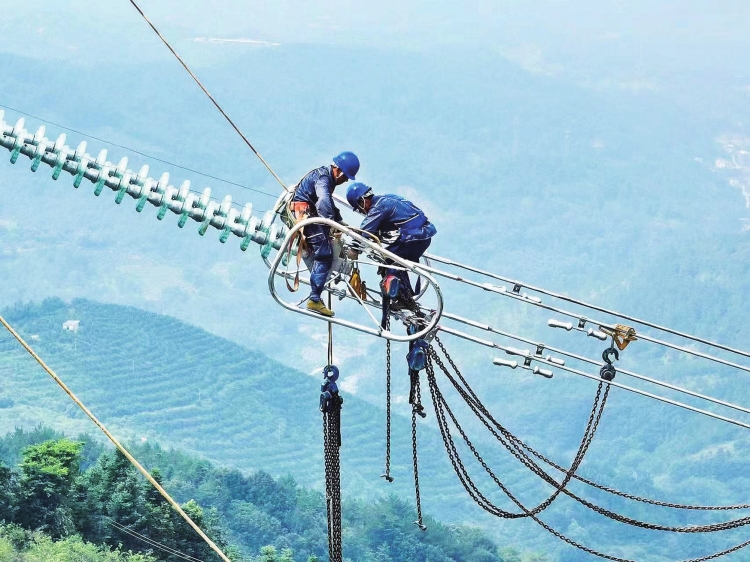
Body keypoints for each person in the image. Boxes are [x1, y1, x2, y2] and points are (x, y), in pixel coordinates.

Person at [291, 151, 360, 317]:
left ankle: (316, 295)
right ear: (339, 171)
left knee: (327, 251)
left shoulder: (325, 176)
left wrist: (340, 222)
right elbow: (323, 201)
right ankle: (314, 299)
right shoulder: (323, 179)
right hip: (305, 214)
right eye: (345, 178)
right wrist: (330, 223)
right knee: (324, 255)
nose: (344, 182)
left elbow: (328, 201)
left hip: (309, 213)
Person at [345, 182, 436, 305]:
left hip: (413, 238)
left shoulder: (377, 208)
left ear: (362, 201)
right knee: (396, 262)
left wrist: (354, 250)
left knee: (388, 263)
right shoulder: (387, 198)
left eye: (360, 208)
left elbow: (365, 230)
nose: (363, 212)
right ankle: (404, 295)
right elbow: (387, 222)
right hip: (423, 235)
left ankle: (402, 298)